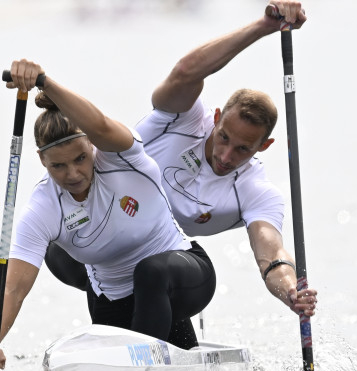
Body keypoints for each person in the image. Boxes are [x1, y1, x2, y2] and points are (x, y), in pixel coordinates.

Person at [45, 0, 317, 330]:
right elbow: (187, 72)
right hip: (108, 244)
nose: (226, 156)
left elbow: (271, 254)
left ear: (265, 146)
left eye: (243, 149)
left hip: (163, 264)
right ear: (216, 118)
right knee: (59, 244)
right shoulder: (182, 118)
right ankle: (148, 342)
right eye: (224, 137)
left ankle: (150, 360)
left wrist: (290, 291)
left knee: (152, 272)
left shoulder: (256, 191)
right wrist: (263, 27)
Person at [0, 59, 216, 371]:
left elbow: (100, 125)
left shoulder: (121, 155)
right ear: (42, 160)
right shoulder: (43, 207)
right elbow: (13, 289)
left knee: (151, 272)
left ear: (92, 145)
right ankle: (171, 363)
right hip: (116, 299)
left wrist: (45, 82)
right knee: (55, 252)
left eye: (80, 158)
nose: (73, 174)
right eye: (58, 166)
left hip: (184, 276)